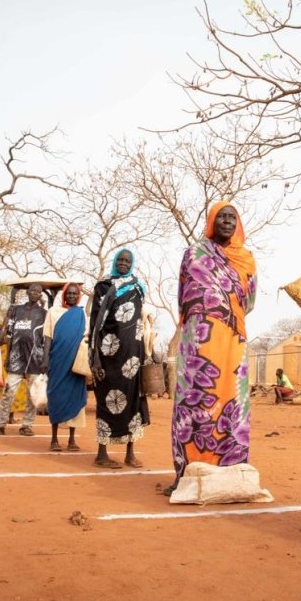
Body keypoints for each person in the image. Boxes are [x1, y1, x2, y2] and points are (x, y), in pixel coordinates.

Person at [165, 203, 256, 496]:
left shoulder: (246, 259)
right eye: (222, 217)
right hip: (198, 341)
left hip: (231, 338)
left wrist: (224, 312)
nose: (227, 222)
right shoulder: (194, 254)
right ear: (211, 222)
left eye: (232, 217)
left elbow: (249, 301)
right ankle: (186, 474)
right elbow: (184, 296)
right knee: (195, 402)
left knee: (231, 398)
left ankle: (230, 473)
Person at [89, 249, 149, 468]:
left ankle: (129, 453)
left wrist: (146, 353)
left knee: (134, 401)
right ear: (115, 262)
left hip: (132, 356)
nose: (124, 263)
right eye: (120, 260)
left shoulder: (138, 287)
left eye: (128, 261)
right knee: (106, 401)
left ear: (132, 264)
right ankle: (101, 454)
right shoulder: (103, 286)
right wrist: (95, 357)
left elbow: (141, 323)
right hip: (107, 354)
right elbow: (95, 323)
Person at [0, 284, 47, 436]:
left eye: (38, 292)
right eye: (32, 291)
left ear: (40, 295)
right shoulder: (16, 310)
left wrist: (45, 360)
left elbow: (46, 338)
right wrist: (7, 357)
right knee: (8, 392)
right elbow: (9, 335)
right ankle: (0, 425)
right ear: (27, 293)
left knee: (32, 395)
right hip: (16, 358)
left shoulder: (44, 313)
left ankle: (27, 425)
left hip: (35, 359)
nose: (35, 293)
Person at [43, 283, 88, 452]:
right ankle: (54, 439)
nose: (71, 296)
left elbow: (86, 335)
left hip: (75, 364)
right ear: (63, 294)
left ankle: (71, 439)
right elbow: (47, 337)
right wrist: (45, 359)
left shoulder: (81, 313)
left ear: (78, 296)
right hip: (57, 361)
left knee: (75, 399)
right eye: (68, 293)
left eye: (74, 294)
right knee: (56, 397)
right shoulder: (52, 312)